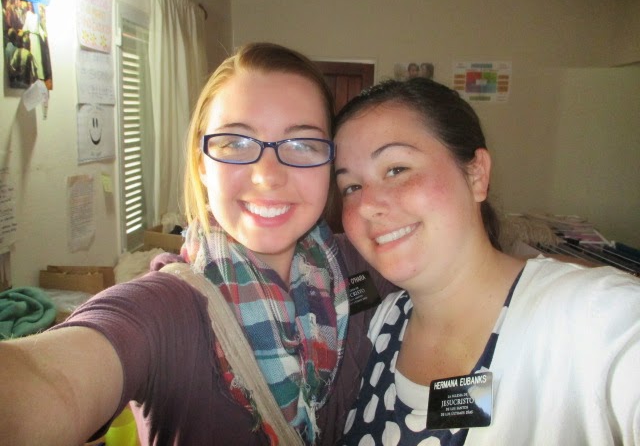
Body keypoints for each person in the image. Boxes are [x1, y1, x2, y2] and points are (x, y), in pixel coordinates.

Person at [0, 43, 395, 446]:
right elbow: (51, 382)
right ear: (202, 163)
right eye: (236, 143)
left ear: (329, 162)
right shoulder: (165, 309)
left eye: (302, 145)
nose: (268, 176)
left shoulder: (362, 260)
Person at [332, 77, 640, 445]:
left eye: (397, 169)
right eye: (351, 187)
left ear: (476, 174)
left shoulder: (592, 317)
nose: (366, 205)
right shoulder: (383, 323)